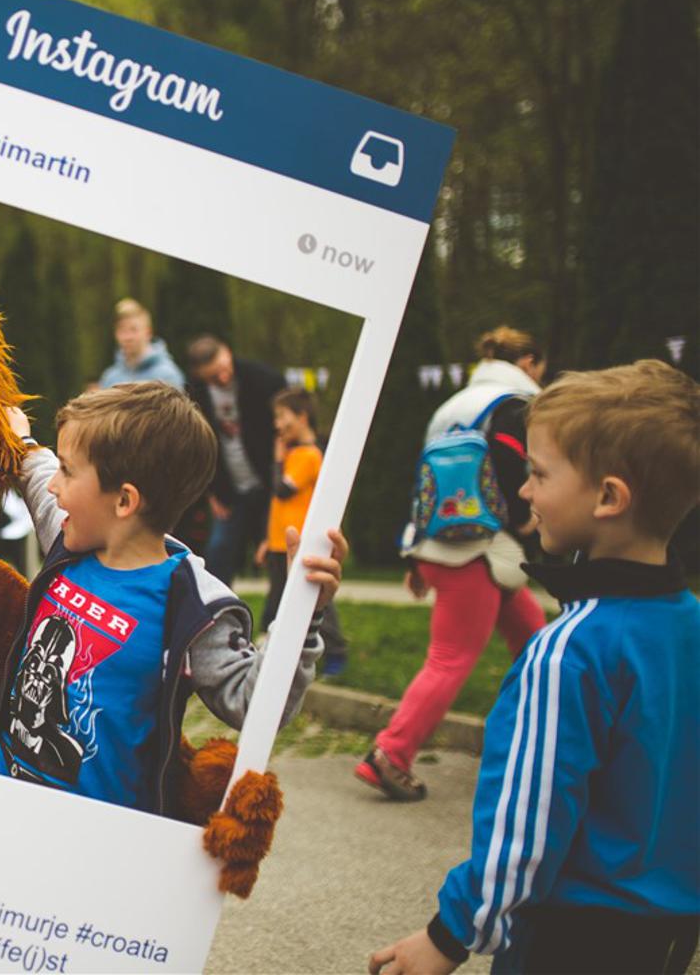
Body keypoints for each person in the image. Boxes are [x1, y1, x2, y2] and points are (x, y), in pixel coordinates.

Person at [367, 360, 700, 975]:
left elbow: (526, 823)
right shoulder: (691, 626)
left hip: (569, 938)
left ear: (608, 497)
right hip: (669, 939)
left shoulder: (566, 652)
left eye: (539, 474)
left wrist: (450, 934)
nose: (522, 492)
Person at [0, 385, 345, 817]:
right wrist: (22, 441)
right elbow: (37, 476)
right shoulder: (70, 538)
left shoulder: (190, 605)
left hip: (99, 838)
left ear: (124, 500)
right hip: (4, 805)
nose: (53, 485)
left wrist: (304, 614)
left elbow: (255, 703)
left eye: (67, 471)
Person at [358, 328, 548, 801]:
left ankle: (538, 738)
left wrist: (415, 553)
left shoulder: (453, 407)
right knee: (450, 659)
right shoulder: (512, 404)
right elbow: (511, 468)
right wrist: (527, 520)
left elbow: (425, 482)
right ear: (528, 363)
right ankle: (391, 754)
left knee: (535, 641)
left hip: (443, 545)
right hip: (479, 550)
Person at [184, 334, 288, 586]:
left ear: (228, 353)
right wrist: (211, 491)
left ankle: (281, 606)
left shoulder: (264, 381)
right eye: (213, 377)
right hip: (229, 490)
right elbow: (197, 446)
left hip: (270, 481)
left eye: (224, 370)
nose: (222, 378)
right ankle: (216, 604)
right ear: (200, 375)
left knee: (278, 552)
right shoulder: (194, 395)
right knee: (218, 551)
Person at [256, 387, 347, 673]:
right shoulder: (294, 453)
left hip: (299, 544)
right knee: (278, 600)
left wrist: (277, 459)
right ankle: (278, 654)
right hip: (278, 542)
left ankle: (336, 651)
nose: (277, 424)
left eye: (282, 416)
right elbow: (278, 505)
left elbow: (282, 490)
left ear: (302, 417)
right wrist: (266, 540)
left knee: (313, 599)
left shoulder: (309, 455)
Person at [99, 298, 185, 389]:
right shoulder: (110, 378)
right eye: (122, 330)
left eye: (133, 330)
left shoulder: (167, 376)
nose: (127, 337)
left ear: (148, 333)